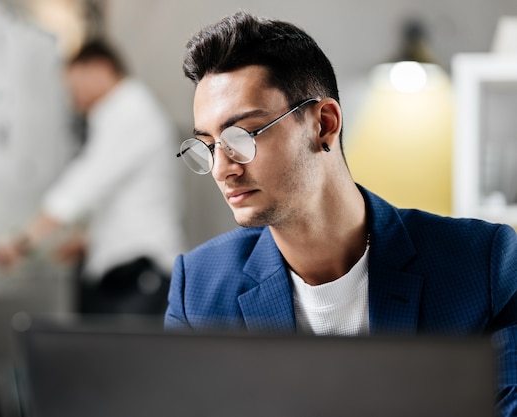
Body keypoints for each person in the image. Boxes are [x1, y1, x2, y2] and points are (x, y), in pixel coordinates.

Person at [165, 11, 517, 416]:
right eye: (207, 145)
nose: (222, 168)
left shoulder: (481, 265)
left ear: (324, 125)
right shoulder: (200, 291)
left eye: (241, 136)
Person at [0, 39, 185, 315]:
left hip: (139, 279)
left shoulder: (131, 112)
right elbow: (121, 196)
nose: (73, 101)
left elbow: (84, 185)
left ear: (100, 69)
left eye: (74, 87)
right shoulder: (120, 114)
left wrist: (22, 241)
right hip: (130, 277)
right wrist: (88, 240)